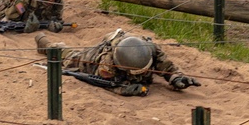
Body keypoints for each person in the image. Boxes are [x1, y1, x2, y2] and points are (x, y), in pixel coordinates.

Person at [61, 28, 201, 96]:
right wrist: (126, 89)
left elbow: (165, 65)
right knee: (70, 58)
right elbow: (102, 82)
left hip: (125, 43)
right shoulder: (108, 64)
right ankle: (52, 45)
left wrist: (176, 77)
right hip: (93, 57)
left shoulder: (149, 49)